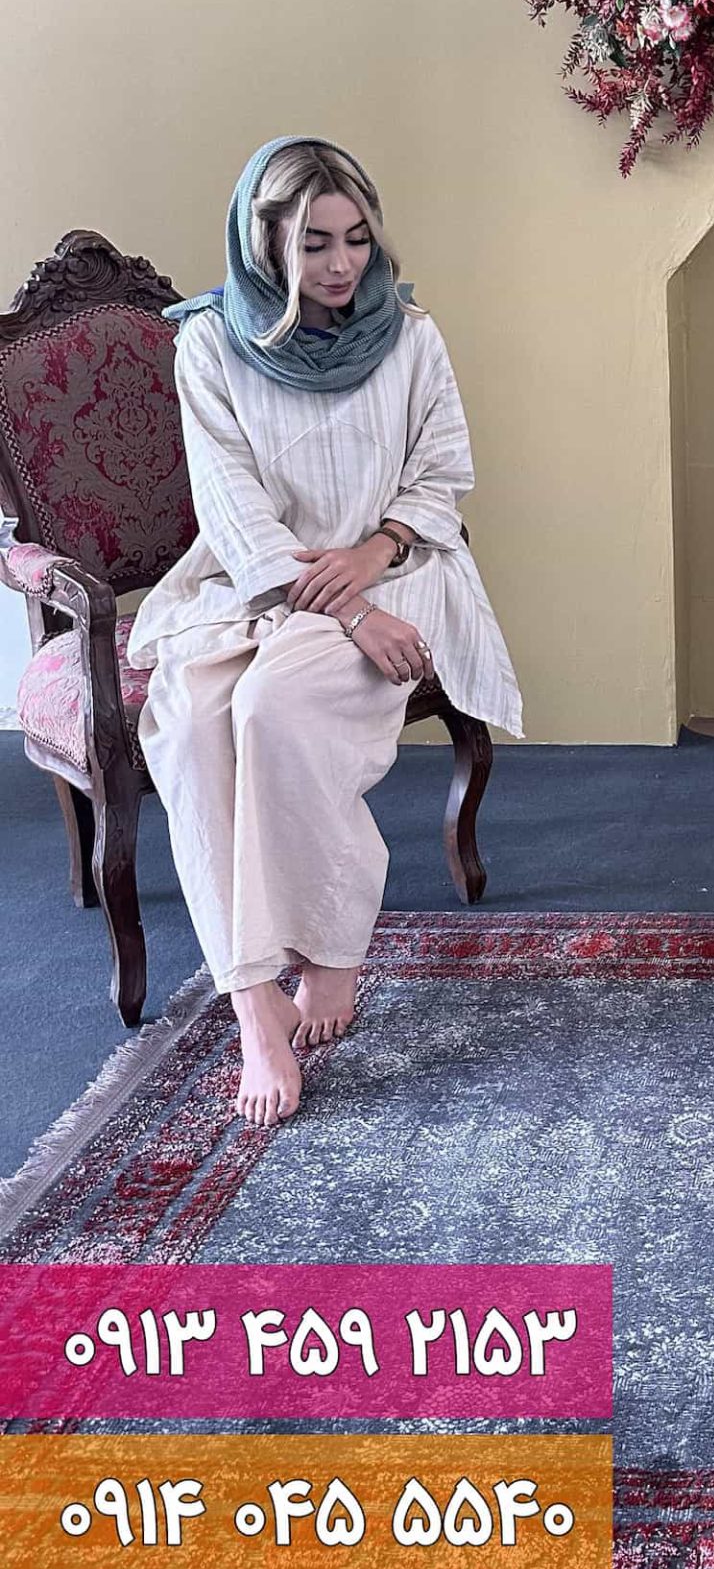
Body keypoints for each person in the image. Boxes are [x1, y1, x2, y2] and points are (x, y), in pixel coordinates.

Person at [125, 137, 523, 1130]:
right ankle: (255, 1001)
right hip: (260, 584)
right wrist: (346, 606)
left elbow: (441, 476)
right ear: (265, 244)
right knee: (192, 722)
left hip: (402, 574)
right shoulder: (209, 345)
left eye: (355, 239)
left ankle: (334, 953)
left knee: (271, 704)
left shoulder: (412, 335)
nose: (342, 265)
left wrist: (375, 555)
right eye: (314, 244)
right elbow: (231, 509)